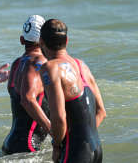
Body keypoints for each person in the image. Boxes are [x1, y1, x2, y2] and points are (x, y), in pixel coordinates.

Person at [39, 19, 106, 163]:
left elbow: (59, 117)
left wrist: (57, 145)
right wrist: (85, 138)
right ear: (67, 40)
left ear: (41, 42)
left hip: (76, 153)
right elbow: (101, 112)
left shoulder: (50, 68)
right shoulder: (82, 66)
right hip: (96, 150)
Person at [2, 15, 51, 155]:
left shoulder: (16, 64)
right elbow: (27, 99)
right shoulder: (40, 63)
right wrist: (53, 131)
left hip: (10, 143)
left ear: (22, 40)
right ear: (44, 40)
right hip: (28, 147)